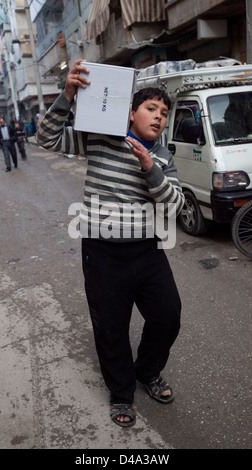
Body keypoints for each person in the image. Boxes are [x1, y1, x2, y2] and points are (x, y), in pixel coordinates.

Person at [36, 59, 184, 427]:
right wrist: (67, 95)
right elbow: (47, 138)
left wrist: (150, 166)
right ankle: (121, 394)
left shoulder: (164, 157)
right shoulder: (100, 136)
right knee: (111, 327)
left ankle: (146, 371)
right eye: (151, 109)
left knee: (167, 316)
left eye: (164, 113)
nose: (159, 117)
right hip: (102, 253)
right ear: (131, 112)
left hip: (147, 252)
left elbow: (175, 204)